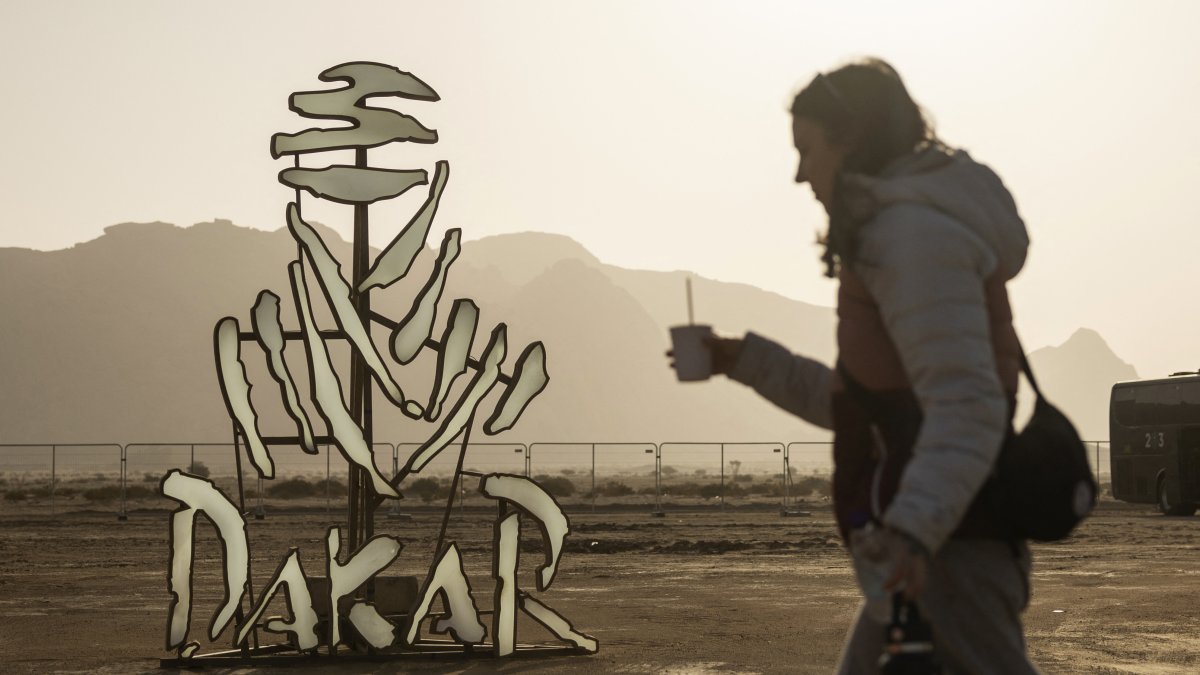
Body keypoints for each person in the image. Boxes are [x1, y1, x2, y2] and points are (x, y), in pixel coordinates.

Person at [680, 58, 1039, 673]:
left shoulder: (913, 237)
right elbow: (865, 409)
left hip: (947, 553)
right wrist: (742, 360)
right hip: (930, 550)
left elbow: (966, 402)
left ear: (852, 140)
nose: (799, 173)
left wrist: (910, 533)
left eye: (808, 149)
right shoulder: (895, 234)